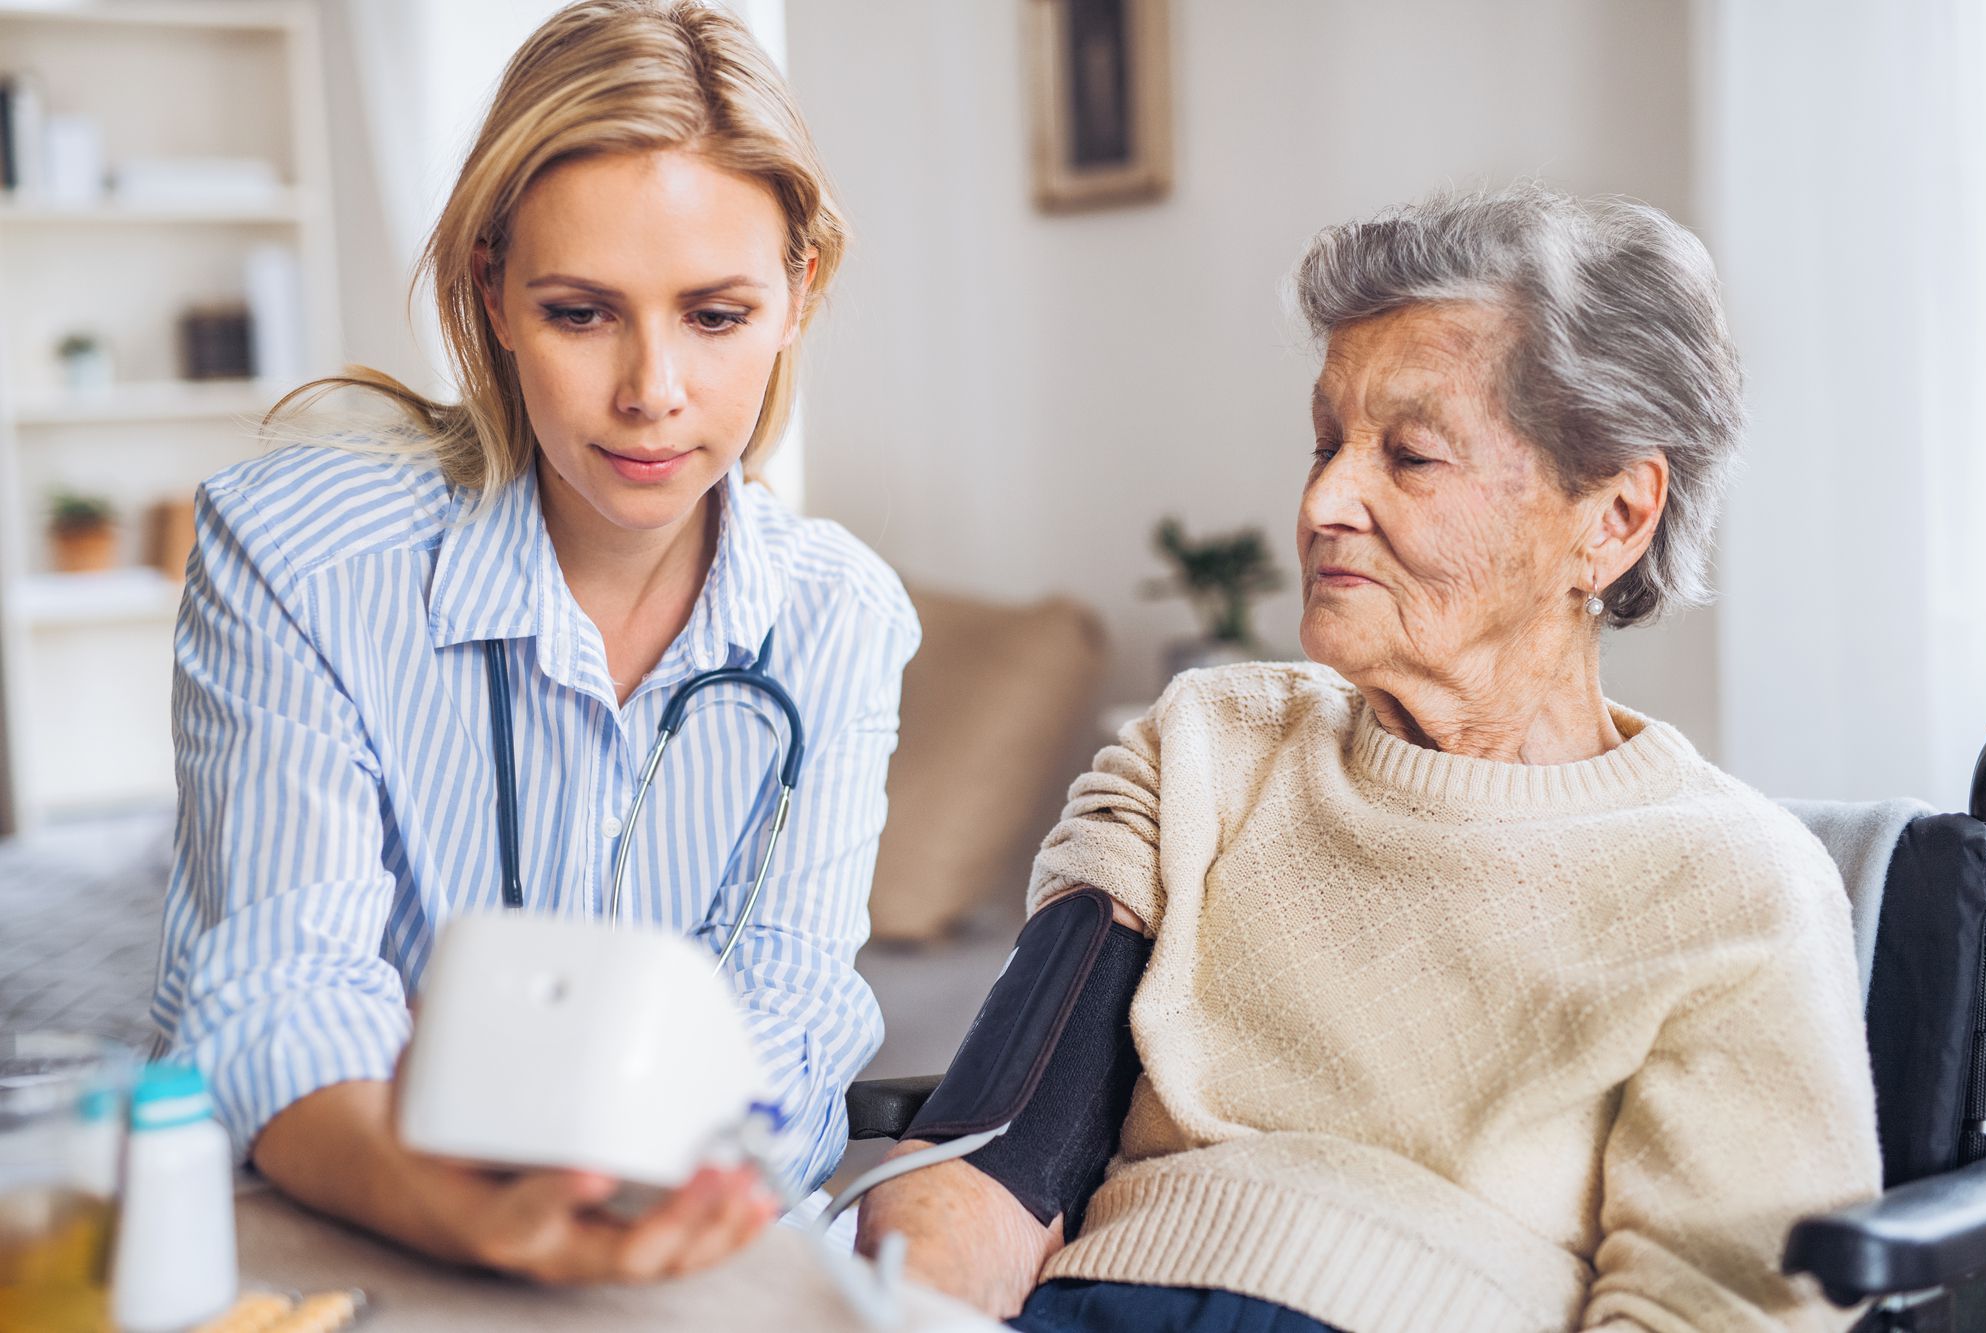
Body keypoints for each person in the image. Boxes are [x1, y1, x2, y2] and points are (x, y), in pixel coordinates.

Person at [858, 185, 1881, 1332]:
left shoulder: (1735, 887)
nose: (1322, 500)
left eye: (1408, 455)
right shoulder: (1200, 747)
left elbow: (1716, 1310)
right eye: (1324, 440)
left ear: (1612, 516)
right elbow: (998, 1155)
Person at [149, 0, 918, 1285]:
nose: (652, 390)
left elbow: (790, 1012)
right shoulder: (294, 556)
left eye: (716, 316)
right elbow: (281, 997)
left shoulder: (840, 617)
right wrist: (470, 1209)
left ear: (800, 293)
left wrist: (633, 1191)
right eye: (580, 312)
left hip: (673, 1241)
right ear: (490, 290)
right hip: (342, 1230)